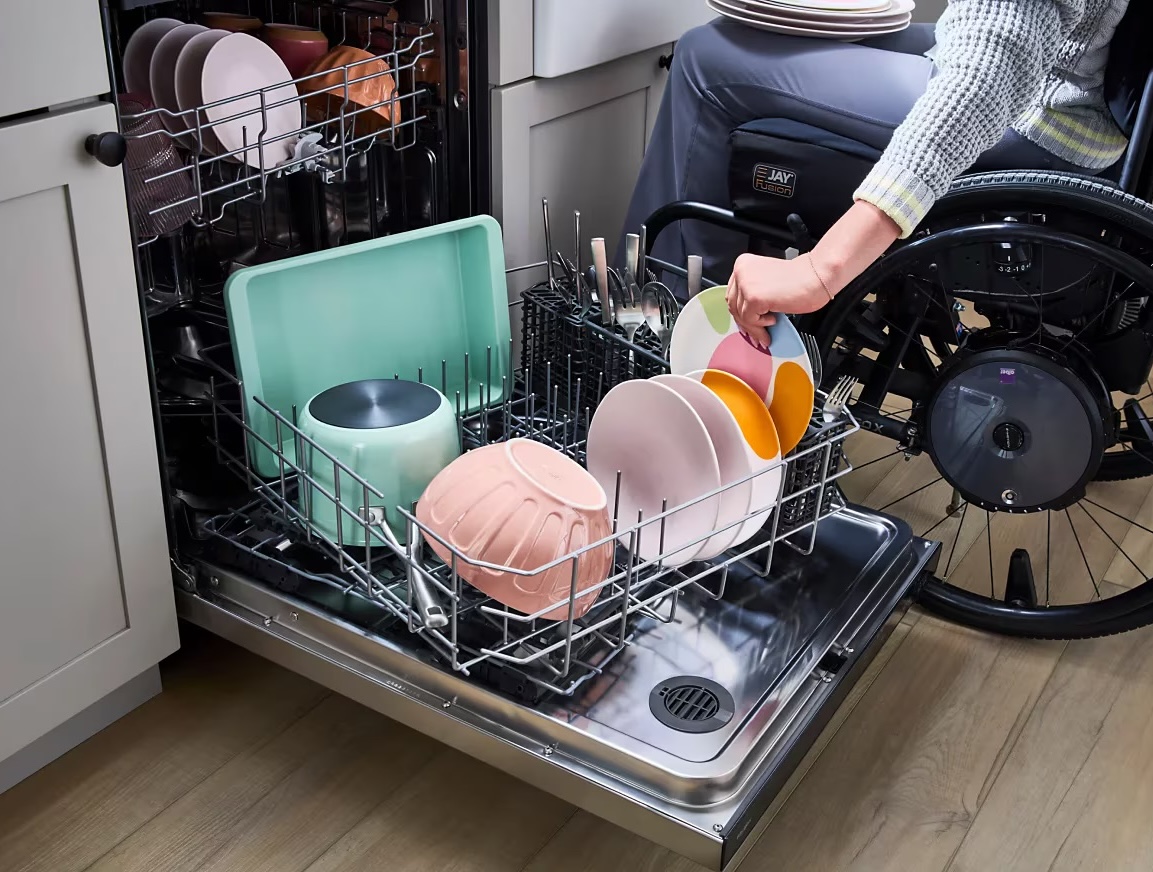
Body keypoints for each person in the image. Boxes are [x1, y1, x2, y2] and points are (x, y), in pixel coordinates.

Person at [621, 0, 1131, 347]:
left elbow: (983, 80)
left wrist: (820, 270)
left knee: (704, 58)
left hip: (1035, 116)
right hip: (1071, 89)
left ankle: (661, 337)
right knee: (739, 36)